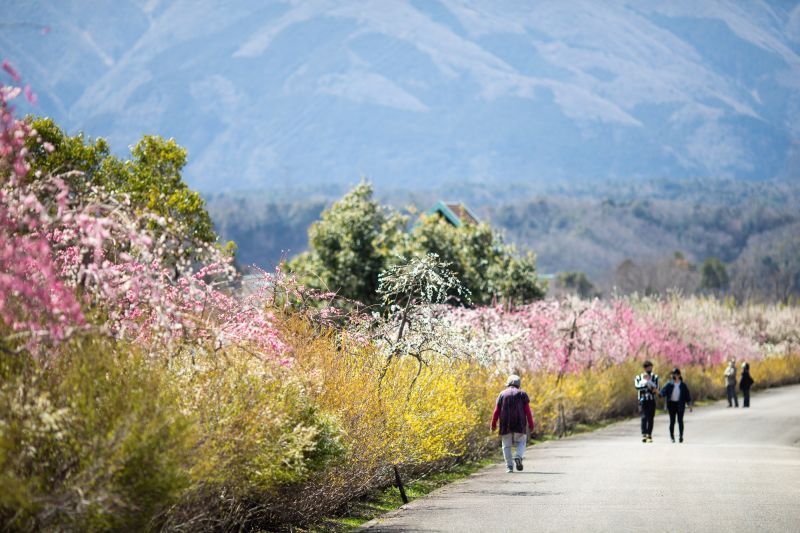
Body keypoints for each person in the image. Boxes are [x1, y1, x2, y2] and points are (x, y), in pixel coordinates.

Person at [491, 374, 535, 473]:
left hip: (505, 424)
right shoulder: (522, 394)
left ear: (508, 384)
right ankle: (518, 457)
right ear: (519, 384)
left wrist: (493, 424)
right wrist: (531, 424)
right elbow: (528, 411)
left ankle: (509, 467)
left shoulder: (502, 394)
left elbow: (496, 411)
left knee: (506, 445)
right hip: (520, 423)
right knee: (521, 442)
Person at [660, 368, 692, 443]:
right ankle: (672, 437)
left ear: (679, 375)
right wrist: (660, 394)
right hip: (671, 405)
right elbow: (663, 391)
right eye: (673, 374)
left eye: (676, 374)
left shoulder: (683, 385)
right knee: (672, 421)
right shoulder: (669, 384)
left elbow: (687, 396)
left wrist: (689, 405)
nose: (674, 375)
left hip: (680, 405)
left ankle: (681, 436)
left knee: (680, 421)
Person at [634, 360, 659, 443]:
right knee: (644, 417)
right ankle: (644, 434)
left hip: (651, 400)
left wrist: (650, 387)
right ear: (645, 368)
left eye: (651, 367)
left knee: (651, 418)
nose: (650, 369)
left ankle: (649, 434)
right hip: (642, 400)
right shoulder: (638, 377)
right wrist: (646, 386)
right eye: (648, 367)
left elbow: (656, 388)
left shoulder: (655, 377)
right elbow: (637, 387)